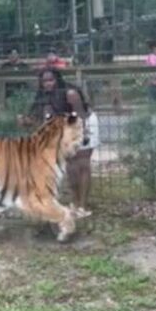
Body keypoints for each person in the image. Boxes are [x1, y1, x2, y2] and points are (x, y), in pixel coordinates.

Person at [17, 68, 96, 216]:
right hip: (65, 126)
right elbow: (40, 121)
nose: (48, 84)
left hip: (84, 123)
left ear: (58, 79)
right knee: (71, 165)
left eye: (51, 80)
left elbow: (81, 116)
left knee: (83, 164)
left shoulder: (70, 93)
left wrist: (82, 136)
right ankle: (75, 201)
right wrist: (25, 121)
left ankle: (83, 206)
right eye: (45, 81)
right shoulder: (43, 97)